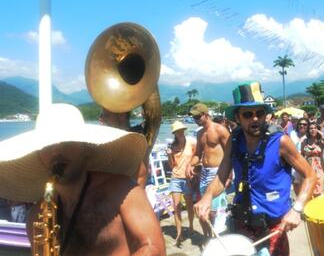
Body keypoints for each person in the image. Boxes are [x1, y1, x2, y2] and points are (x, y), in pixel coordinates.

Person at [0, 104, 166, 255]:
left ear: (86, 148)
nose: (56, 151)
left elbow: (153, 248)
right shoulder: (36, 216)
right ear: (39, 155)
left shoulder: (121, 190)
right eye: (47, 145)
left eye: (67, 141)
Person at [194, 82, 316, 255]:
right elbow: (222, 176)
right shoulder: (234, 141)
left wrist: (297, 209)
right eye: (248, 114)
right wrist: (207, 197)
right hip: (242, 222)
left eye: (260, 113)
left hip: (274, 227)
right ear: (237, 117)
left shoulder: (280, 142)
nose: (255, 118)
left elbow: (310, 175)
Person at [186, 103, 231, 237]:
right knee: (202, 209)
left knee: (215, 211)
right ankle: (208, 237)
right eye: (194, 118)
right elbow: (198, 155)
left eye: (198, 117)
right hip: (204, 174)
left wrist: (229, 176)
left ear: (206, 115)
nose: (196, 120)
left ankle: (219, 237)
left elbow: (230, 154)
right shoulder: (200, 133)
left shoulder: (220, 130)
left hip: (218, 173)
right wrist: (190, 164)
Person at [99, 108, 148, 187]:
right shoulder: (111, 137)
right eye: (102, 115)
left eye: (106, 116)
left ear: (121, 115)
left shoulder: (134, 138)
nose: (102, 119)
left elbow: (141, 175)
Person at [166, 120, 196, 247]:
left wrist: (193, 169)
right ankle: (179, 234)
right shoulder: (172, 146)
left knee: (189, 205)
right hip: (176, 178)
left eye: (181, 130)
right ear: (174, 133)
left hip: (188, 179)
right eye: (177, 131)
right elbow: (171, 165)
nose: (180, 133)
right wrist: (169, 155)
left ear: (184, 130)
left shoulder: (192, 143)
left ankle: (190, 226)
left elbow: (196, 158)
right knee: (176, 206)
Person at [301, 122, 324, 197]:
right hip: (308, 168)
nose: (313, 130)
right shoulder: (305, 141)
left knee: (318, 191)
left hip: (319, 168)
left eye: (315, 128)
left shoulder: (320, 141)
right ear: (308, 130)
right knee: (309, 191)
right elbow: (302, 153)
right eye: (311, 128)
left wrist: (320, 134)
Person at [290, 118, 309, 195]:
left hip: (306, 162)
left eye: (305, 124)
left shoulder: (309, 135)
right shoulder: (292, 134)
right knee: (296, 183)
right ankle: (298, 199)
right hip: (294, 162)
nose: (302, 126)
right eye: (300, 124)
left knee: (306, 182)